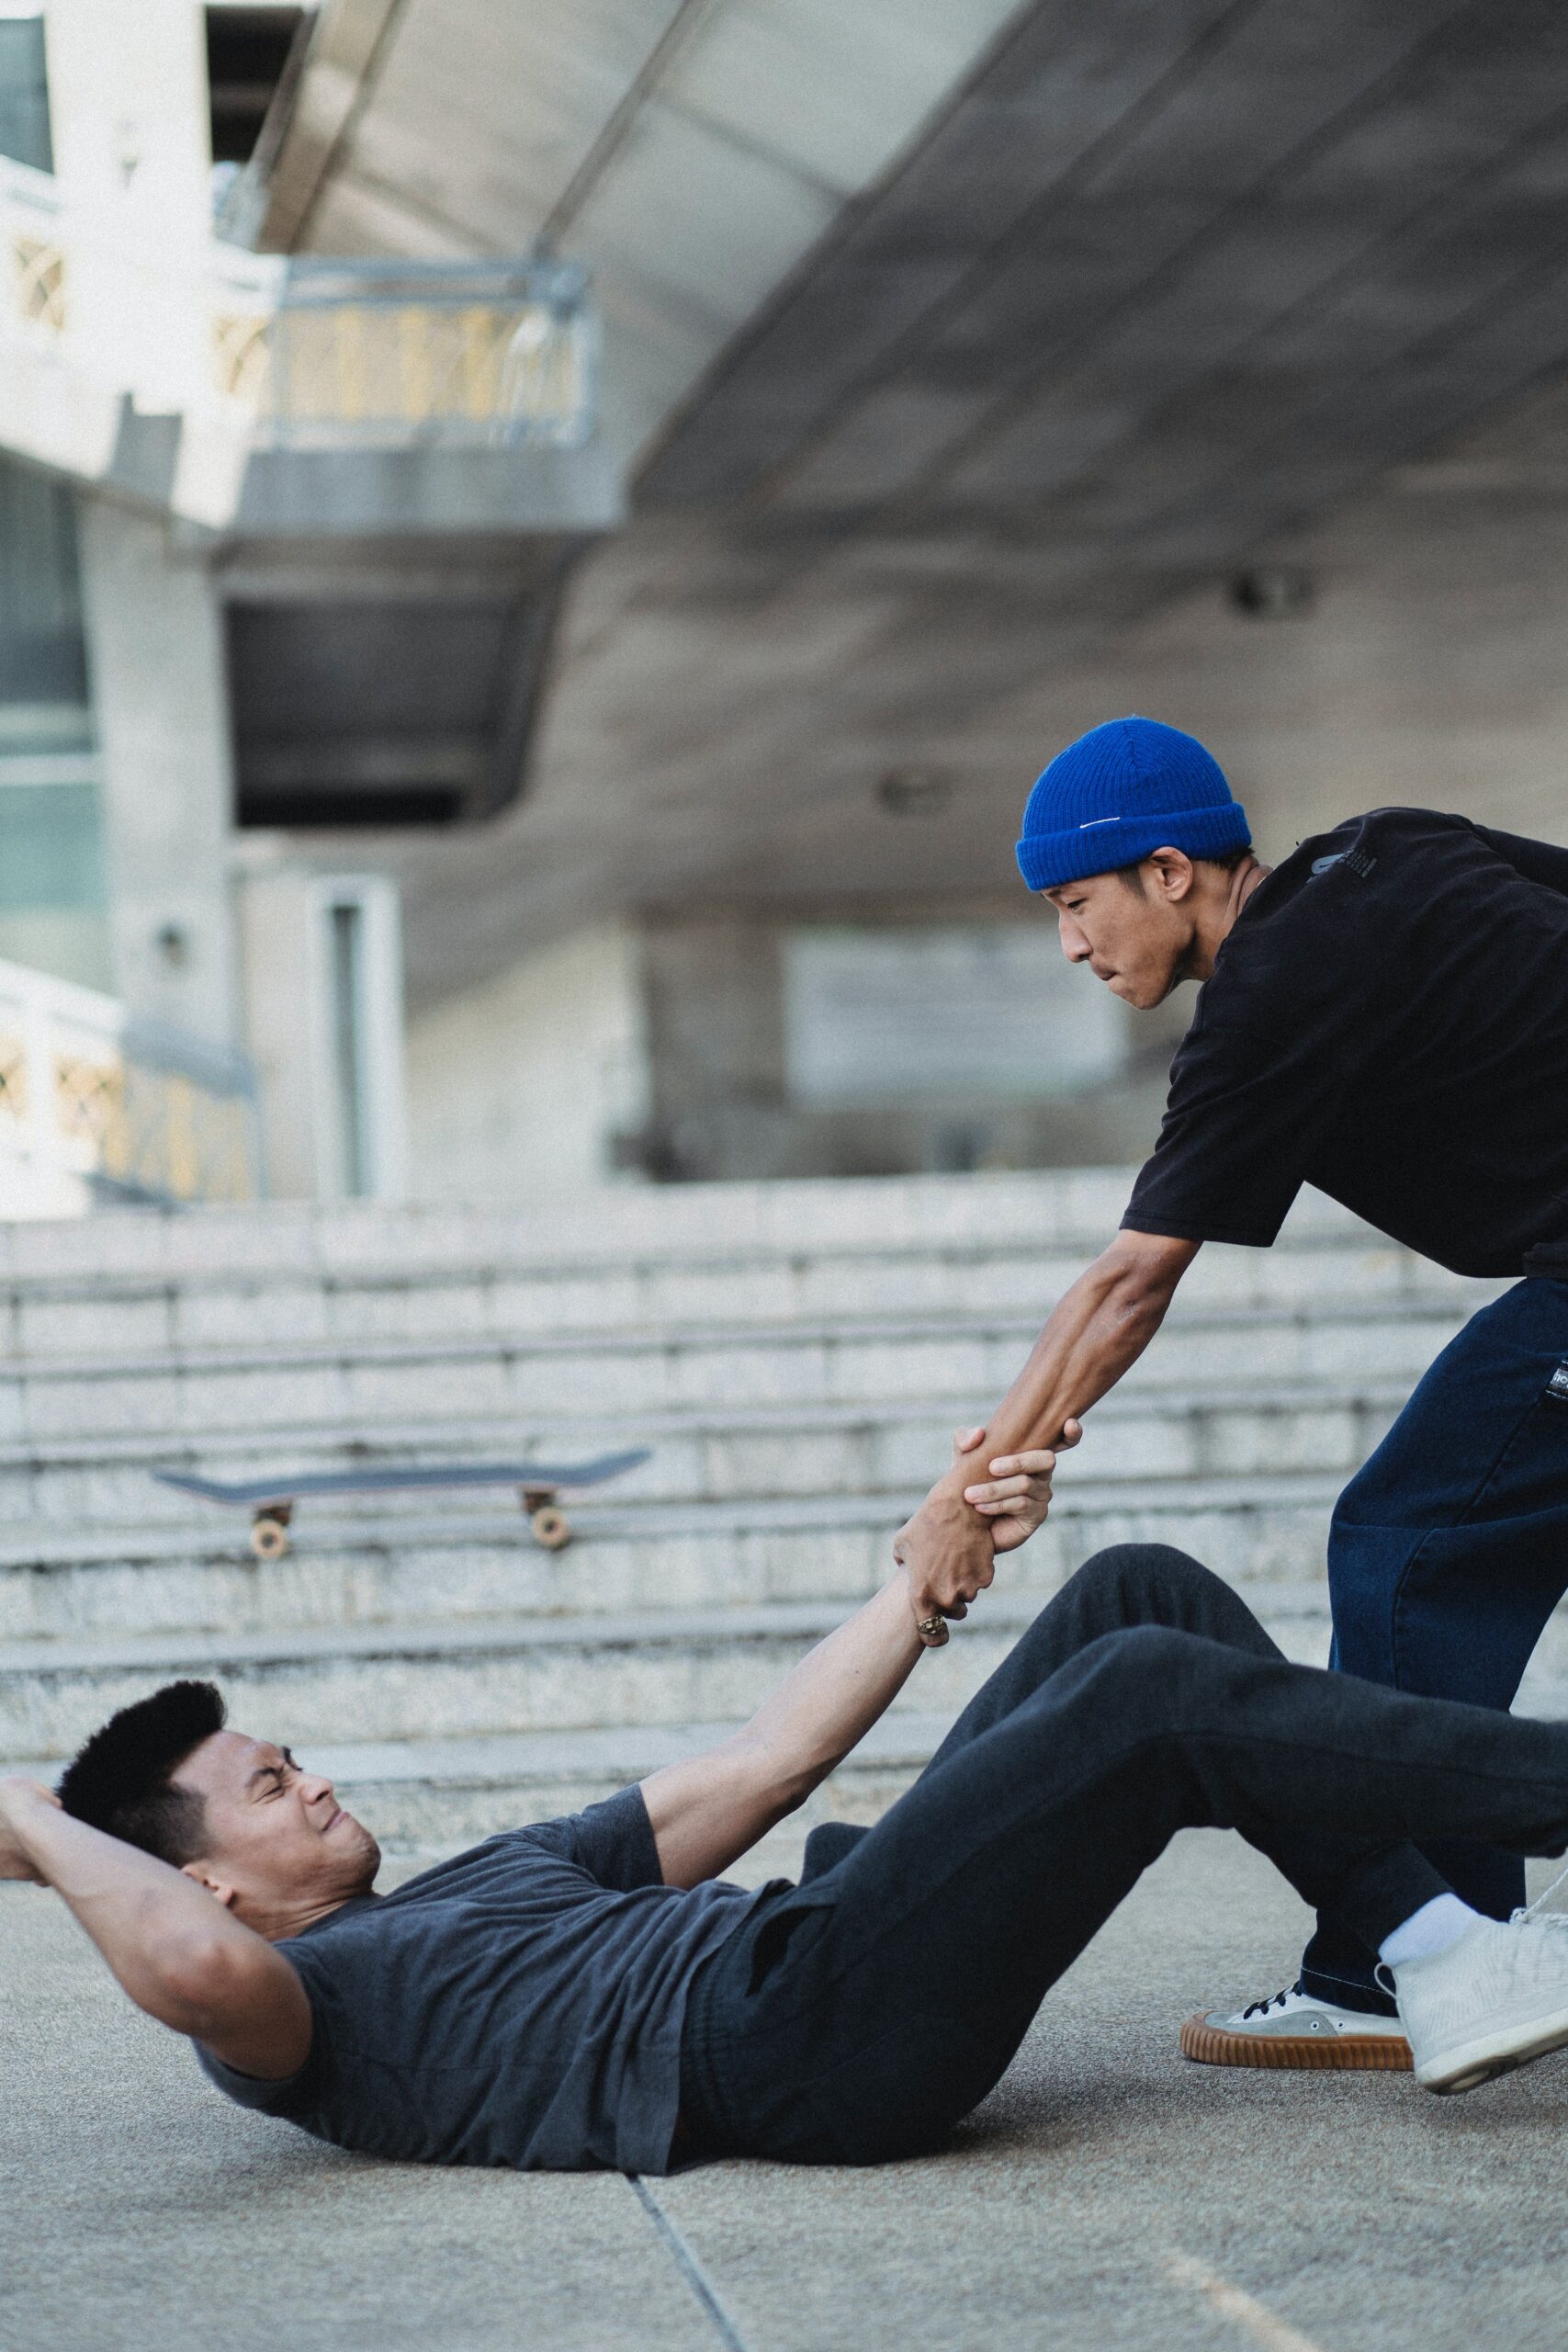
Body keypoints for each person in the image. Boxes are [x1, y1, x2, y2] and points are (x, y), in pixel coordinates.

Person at [10, 1521, 1568, 2170]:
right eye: (269, 1789)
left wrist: (923, 1573)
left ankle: (1436, 1952)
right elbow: (192, 1970)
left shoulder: (482, 1878)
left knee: (1131, 1596)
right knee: (1148, 1696)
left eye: (293, 1761)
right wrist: (32, 1818)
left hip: (824, 1937)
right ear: (204, 1879)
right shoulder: (297, 2016)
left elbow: (769, 1763)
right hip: (795, 2044)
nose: (314, 1784)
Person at [893, 713, 1568, 2069]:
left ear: (1170, 872)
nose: (1071, 946)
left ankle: (1401, 1969)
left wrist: (968, 1494)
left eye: (1076, 904)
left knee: (1410, 1547)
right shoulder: (1398, 847)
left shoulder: (1267, 998)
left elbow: (1130, 1285)